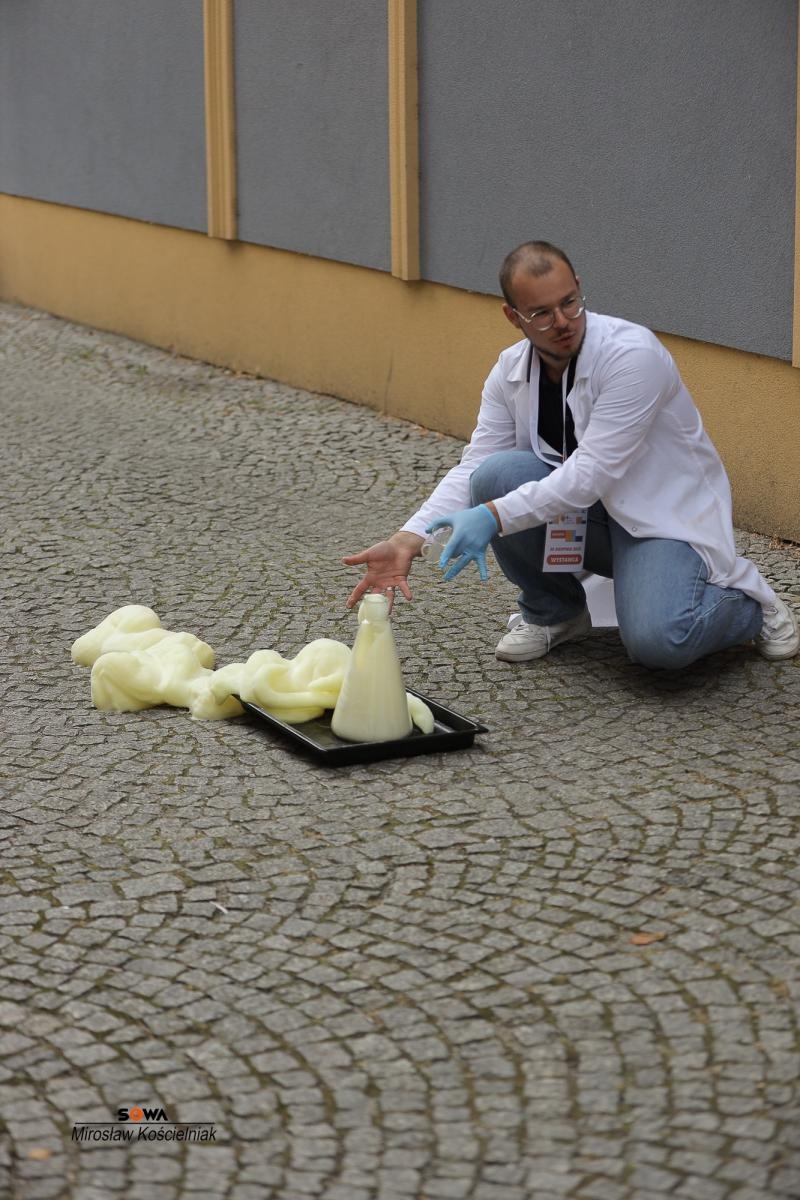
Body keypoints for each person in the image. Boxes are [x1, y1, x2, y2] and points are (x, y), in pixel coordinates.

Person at [343, 241, 798, 669]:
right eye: (540, 313)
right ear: (512, 315)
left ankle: (749, 605)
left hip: (660, 519)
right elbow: (476, 464)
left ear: (579, 286)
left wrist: (493, 518)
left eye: (569, 302)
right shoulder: (509, 372)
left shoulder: (632, 356)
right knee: (494, 475)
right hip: (591, 518)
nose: (561, 321)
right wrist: (410, 538)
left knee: (661, 643)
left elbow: (590, 474)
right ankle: (554, 612)